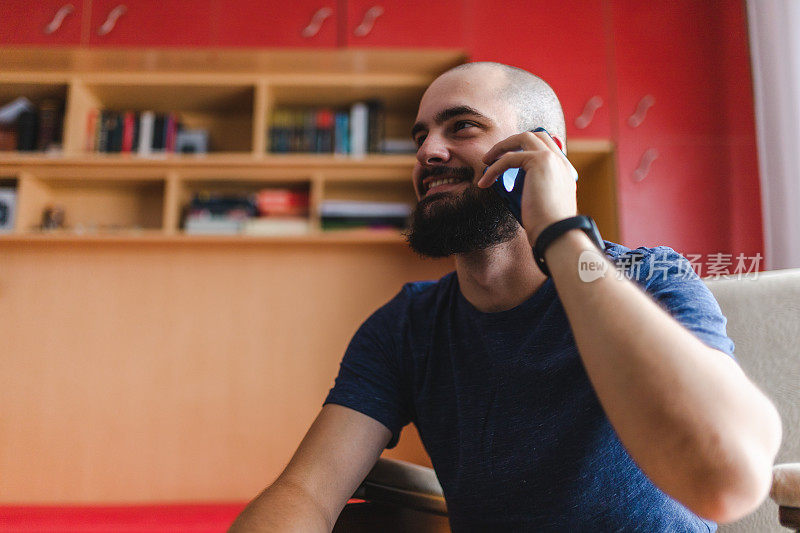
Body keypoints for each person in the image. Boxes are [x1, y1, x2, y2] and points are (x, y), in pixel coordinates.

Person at [230, 62, 782, 532]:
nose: (429, 153)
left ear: (545, 155)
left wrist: (561, 235)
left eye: (462, 127)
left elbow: (727, 481)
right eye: (421, 137)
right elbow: (305, 494)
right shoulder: (406, 328)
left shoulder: (651, 277)